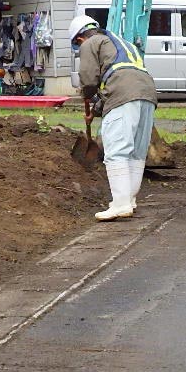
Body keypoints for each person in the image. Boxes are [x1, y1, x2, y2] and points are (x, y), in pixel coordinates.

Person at [71, 14, 157, 221]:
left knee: (116, 151)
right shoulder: (121, 44)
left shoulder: (90, 43)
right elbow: (115, 77)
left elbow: (90, 79)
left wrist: (85, 94)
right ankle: (129, 200)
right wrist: (97, 109)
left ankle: (120, 204)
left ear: (79, 38)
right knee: (136, 151)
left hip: (123, 93)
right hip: (147, 93)